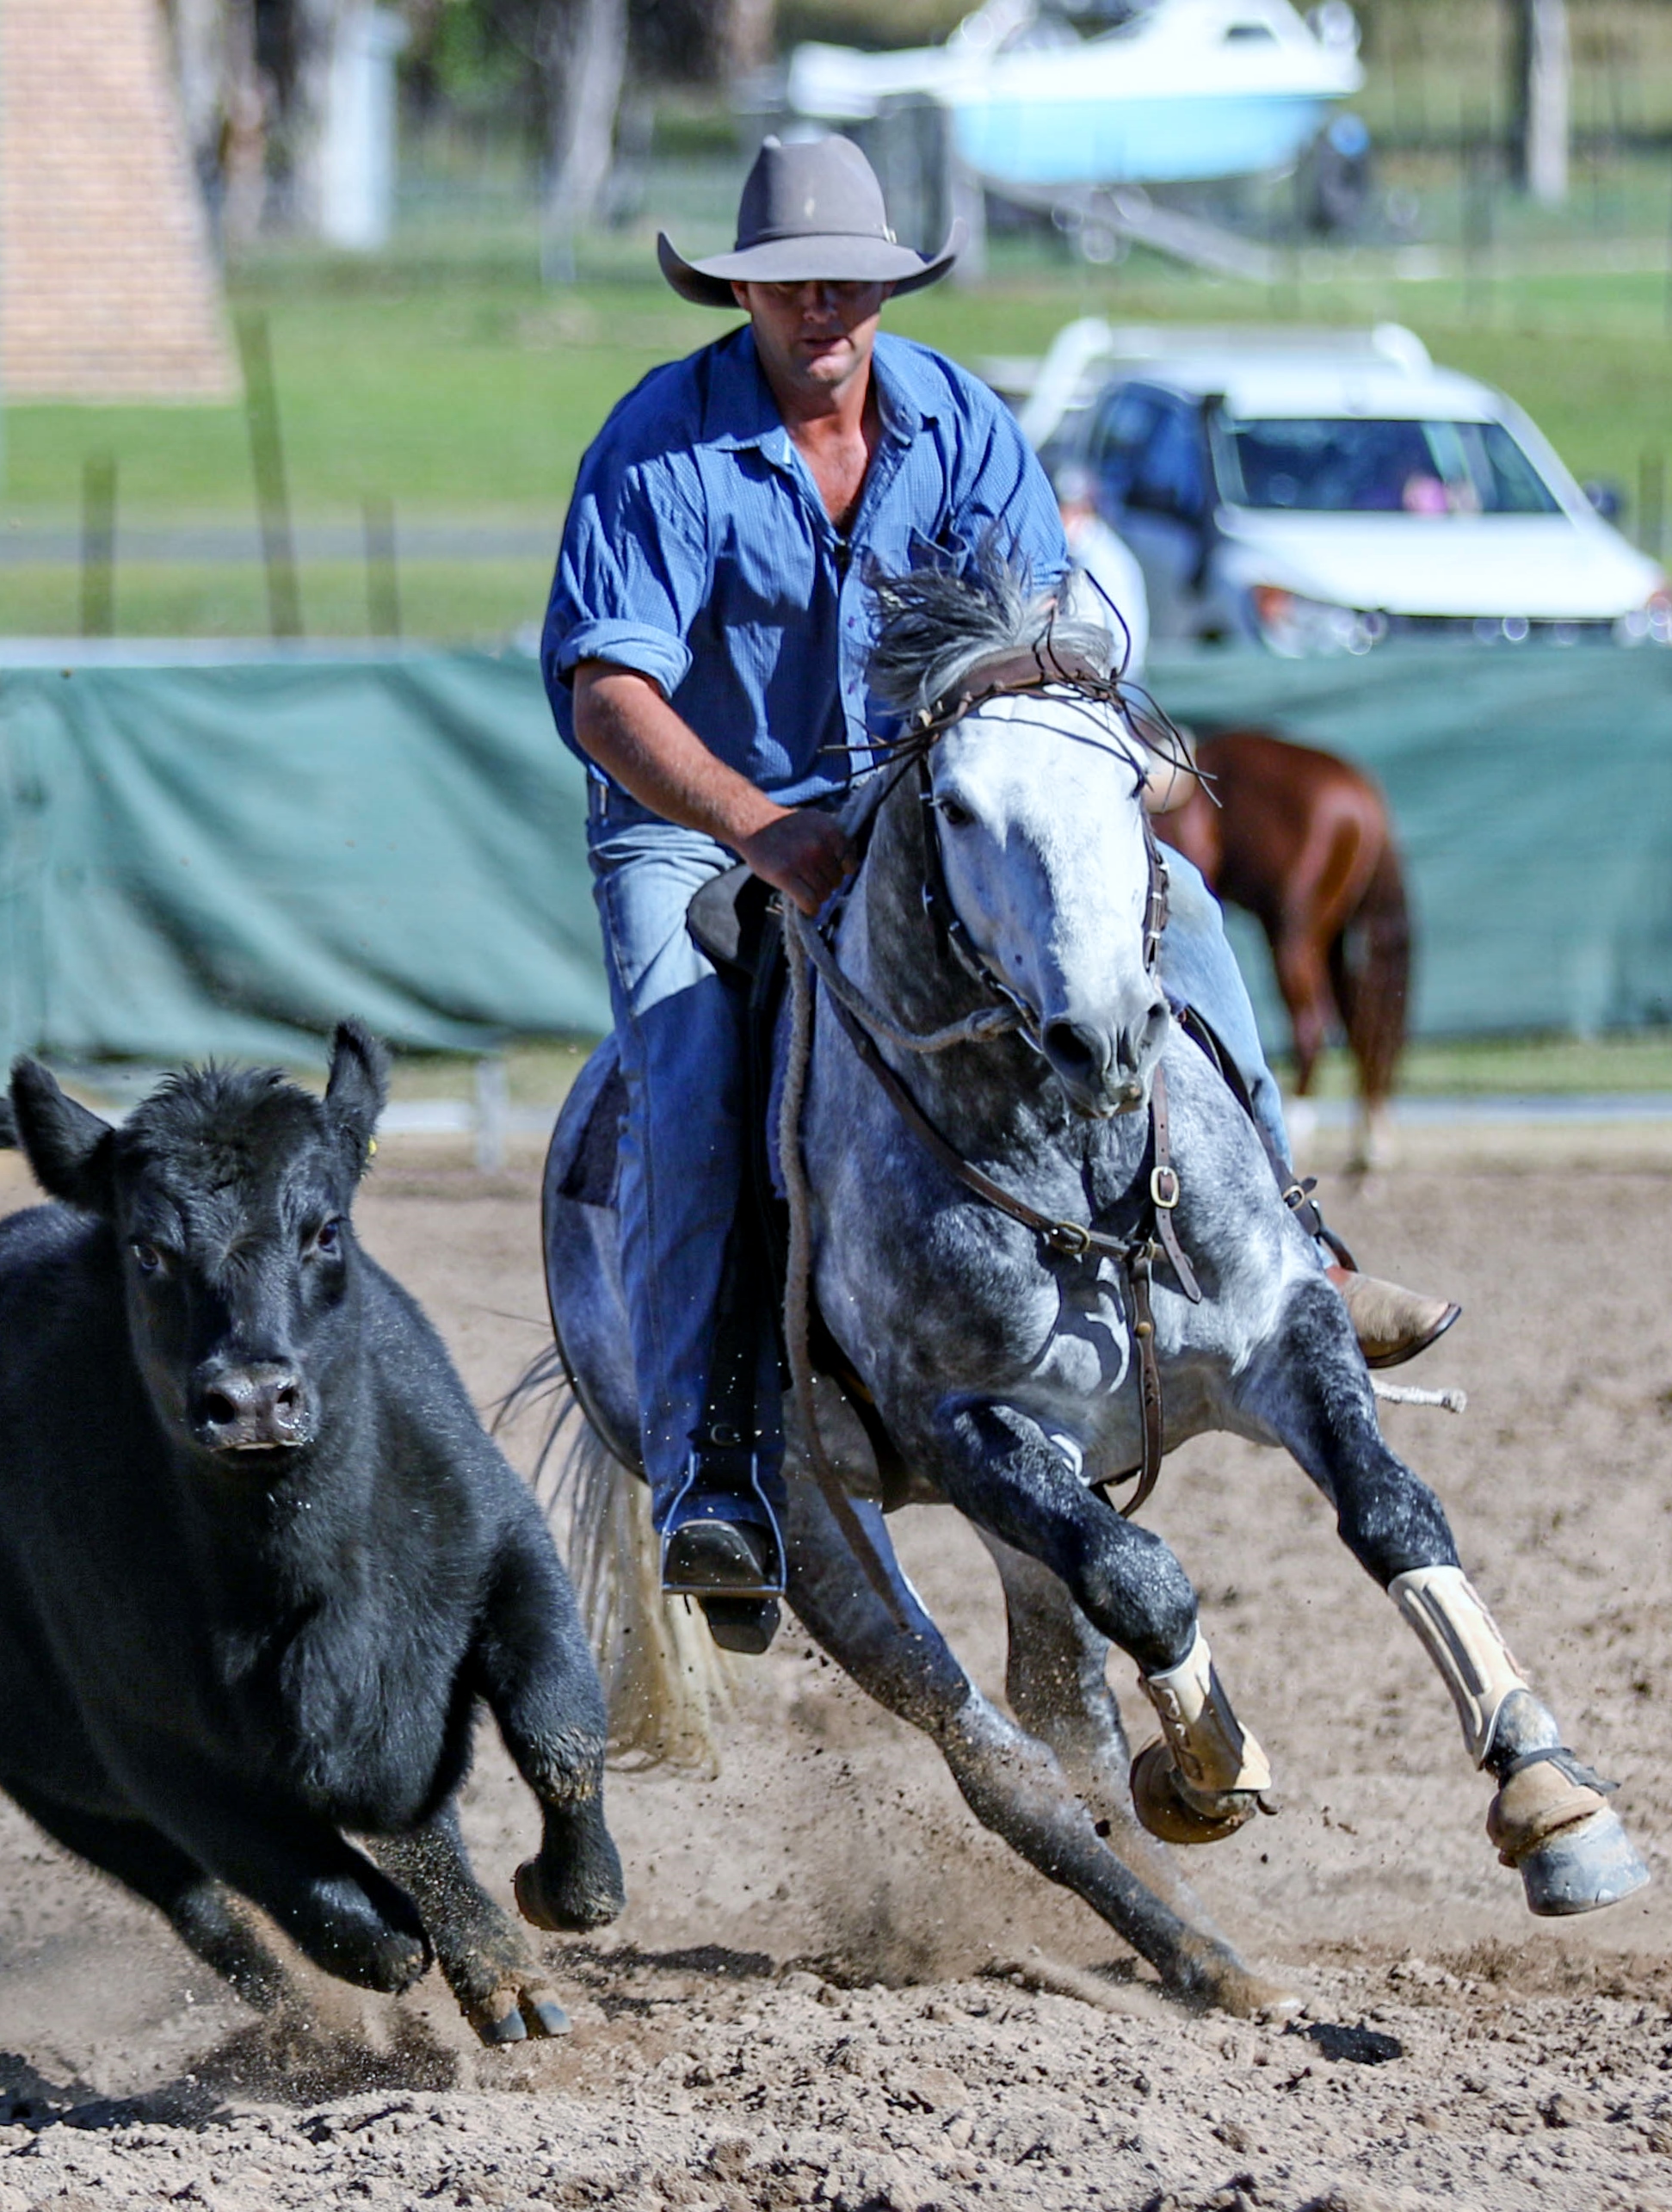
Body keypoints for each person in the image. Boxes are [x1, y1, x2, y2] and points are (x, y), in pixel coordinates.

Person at [540, 136, 1455, 1650]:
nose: (822, 307)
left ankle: (1291, 1250)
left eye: (849, 282)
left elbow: (1045, 636)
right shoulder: (659, 446)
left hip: (917, 803)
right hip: (692, 828)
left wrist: (1076, 759)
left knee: (1181, 907)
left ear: (885, 290)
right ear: (742, 293)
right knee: (692, 1064)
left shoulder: (961, 425)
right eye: (791, 283)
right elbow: (606, 696)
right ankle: (715, 1466)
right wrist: (765, 830)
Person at [1055, 459, 1151, 667]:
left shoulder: (1103, 560)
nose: (1064, 518)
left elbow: (1121, 643)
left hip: (1114, 676)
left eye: (1072, 510)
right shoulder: (1076, 552)